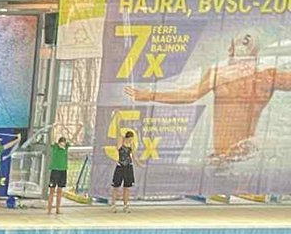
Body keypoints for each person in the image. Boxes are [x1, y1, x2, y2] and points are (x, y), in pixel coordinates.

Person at [124, 29, 291, 166]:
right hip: (246, 156)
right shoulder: (269, 77)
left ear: (232, 49)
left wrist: (150, 95)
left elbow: (189, 95)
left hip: (227, 158)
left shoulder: (220, 75)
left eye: (232, 46)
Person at [111, 130, 144, 213]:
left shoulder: (131, 145)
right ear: (126, 137)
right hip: (120, 167)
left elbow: (134, 156)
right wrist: (123, 138)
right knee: (116, 187)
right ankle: (113, 205)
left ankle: (125, 205)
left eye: (131, 139)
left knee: (127, 187)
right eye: (129, 139)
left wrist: (140, 164)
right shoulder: (120, 143)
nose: (130, 140)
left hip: (128, 167)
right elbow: (119, 140)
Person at [47, 135, 70, 216]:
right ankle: (49, 209)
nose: (62, 145)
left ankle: (58, 209)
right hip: (55, 171)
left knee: (60, 191)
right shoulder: (55, 147)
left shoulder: (66, 148)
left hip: (63, 171)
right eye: (61, 143)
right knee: (52, 190)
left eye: (64, 143)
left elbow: (70, 141)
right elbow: (51, 141)